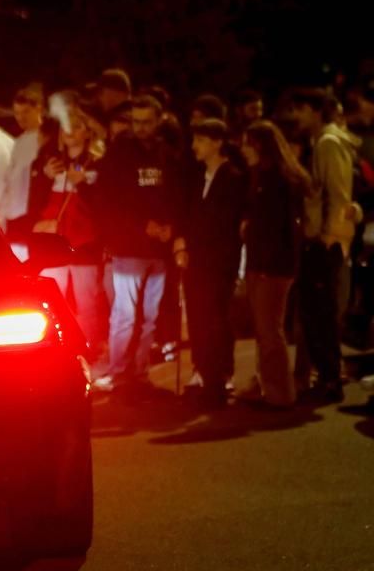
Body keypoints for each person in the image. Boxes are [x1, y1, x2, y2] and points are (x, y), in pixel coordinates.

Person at [89, 94, 181, 393]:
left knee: (150, 318)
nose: (141, 128)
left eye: (147, 122)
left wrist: (170, 227)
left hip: (159, 251)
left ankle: (140, 374)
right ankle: (119, 373)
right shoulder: (118, 155)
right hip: (128, 248)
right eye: (136, 122)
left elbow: (175, 197)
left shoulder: (167, 154)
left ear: (159, 120)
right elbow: (109, 203)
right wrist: (144, 226)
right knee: (125, 316)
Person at [289, 88, 359, 403]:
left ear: (315, 111)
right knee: (316, 313)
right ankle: (327, 377)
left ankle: (330, 380)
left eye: (300, 110)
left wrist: (332, 239)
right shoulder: (322, 142)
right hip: (320, 239)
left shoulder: (329, 144)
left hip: (324, 242)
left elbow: (338, 194)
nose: (296, 117)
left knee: (322, 314)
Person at [174, 119, 248, 408]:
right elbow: (190, 214)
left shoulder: (232, 176)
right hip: (196, 260)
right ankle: (204, 373)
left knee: (216, 319)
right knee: (198, 318)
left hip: (218, 261)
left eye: (201, 141)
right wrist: (183, 242)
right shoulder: (199, 176)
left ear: (217, 142)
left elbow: (223, 223)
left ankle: (218, 377)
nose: (195, 147)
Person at [239, 121, 311, 409]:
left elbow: (277, 228)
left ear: (259, 145)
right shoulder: (263, 176)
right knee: (265, 329)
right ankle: (268, 386)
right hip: (265, 263)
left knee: (270, 330)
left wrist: (265, 261)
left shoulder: (276, 180)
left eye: (247, 143)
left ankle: (280, 393)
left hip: (272, 266)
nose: (244, 149)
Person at [30, 107, 106, 362]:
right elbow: (34, 202)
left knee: (87, 301)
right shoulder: (49, 160)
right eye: (66, 126)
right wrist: (43, 176)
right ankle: (55, 350)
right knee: (54, 300)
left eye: (76, 126)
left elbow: (102, 206)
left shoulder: (96, 161)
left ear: (87, 132)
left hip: (83, 243)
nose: (70, 132)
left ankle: (89, 351)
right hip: (54, 243)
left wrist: (82, 182)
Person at [2, 86, 44, 235]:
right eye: (17, 113)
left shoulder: (45, 139)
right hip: (13, 214)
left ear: (38, 109)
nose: (21, 117)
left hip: (32, 214)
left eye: (26, 112)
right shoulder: (18, 142)